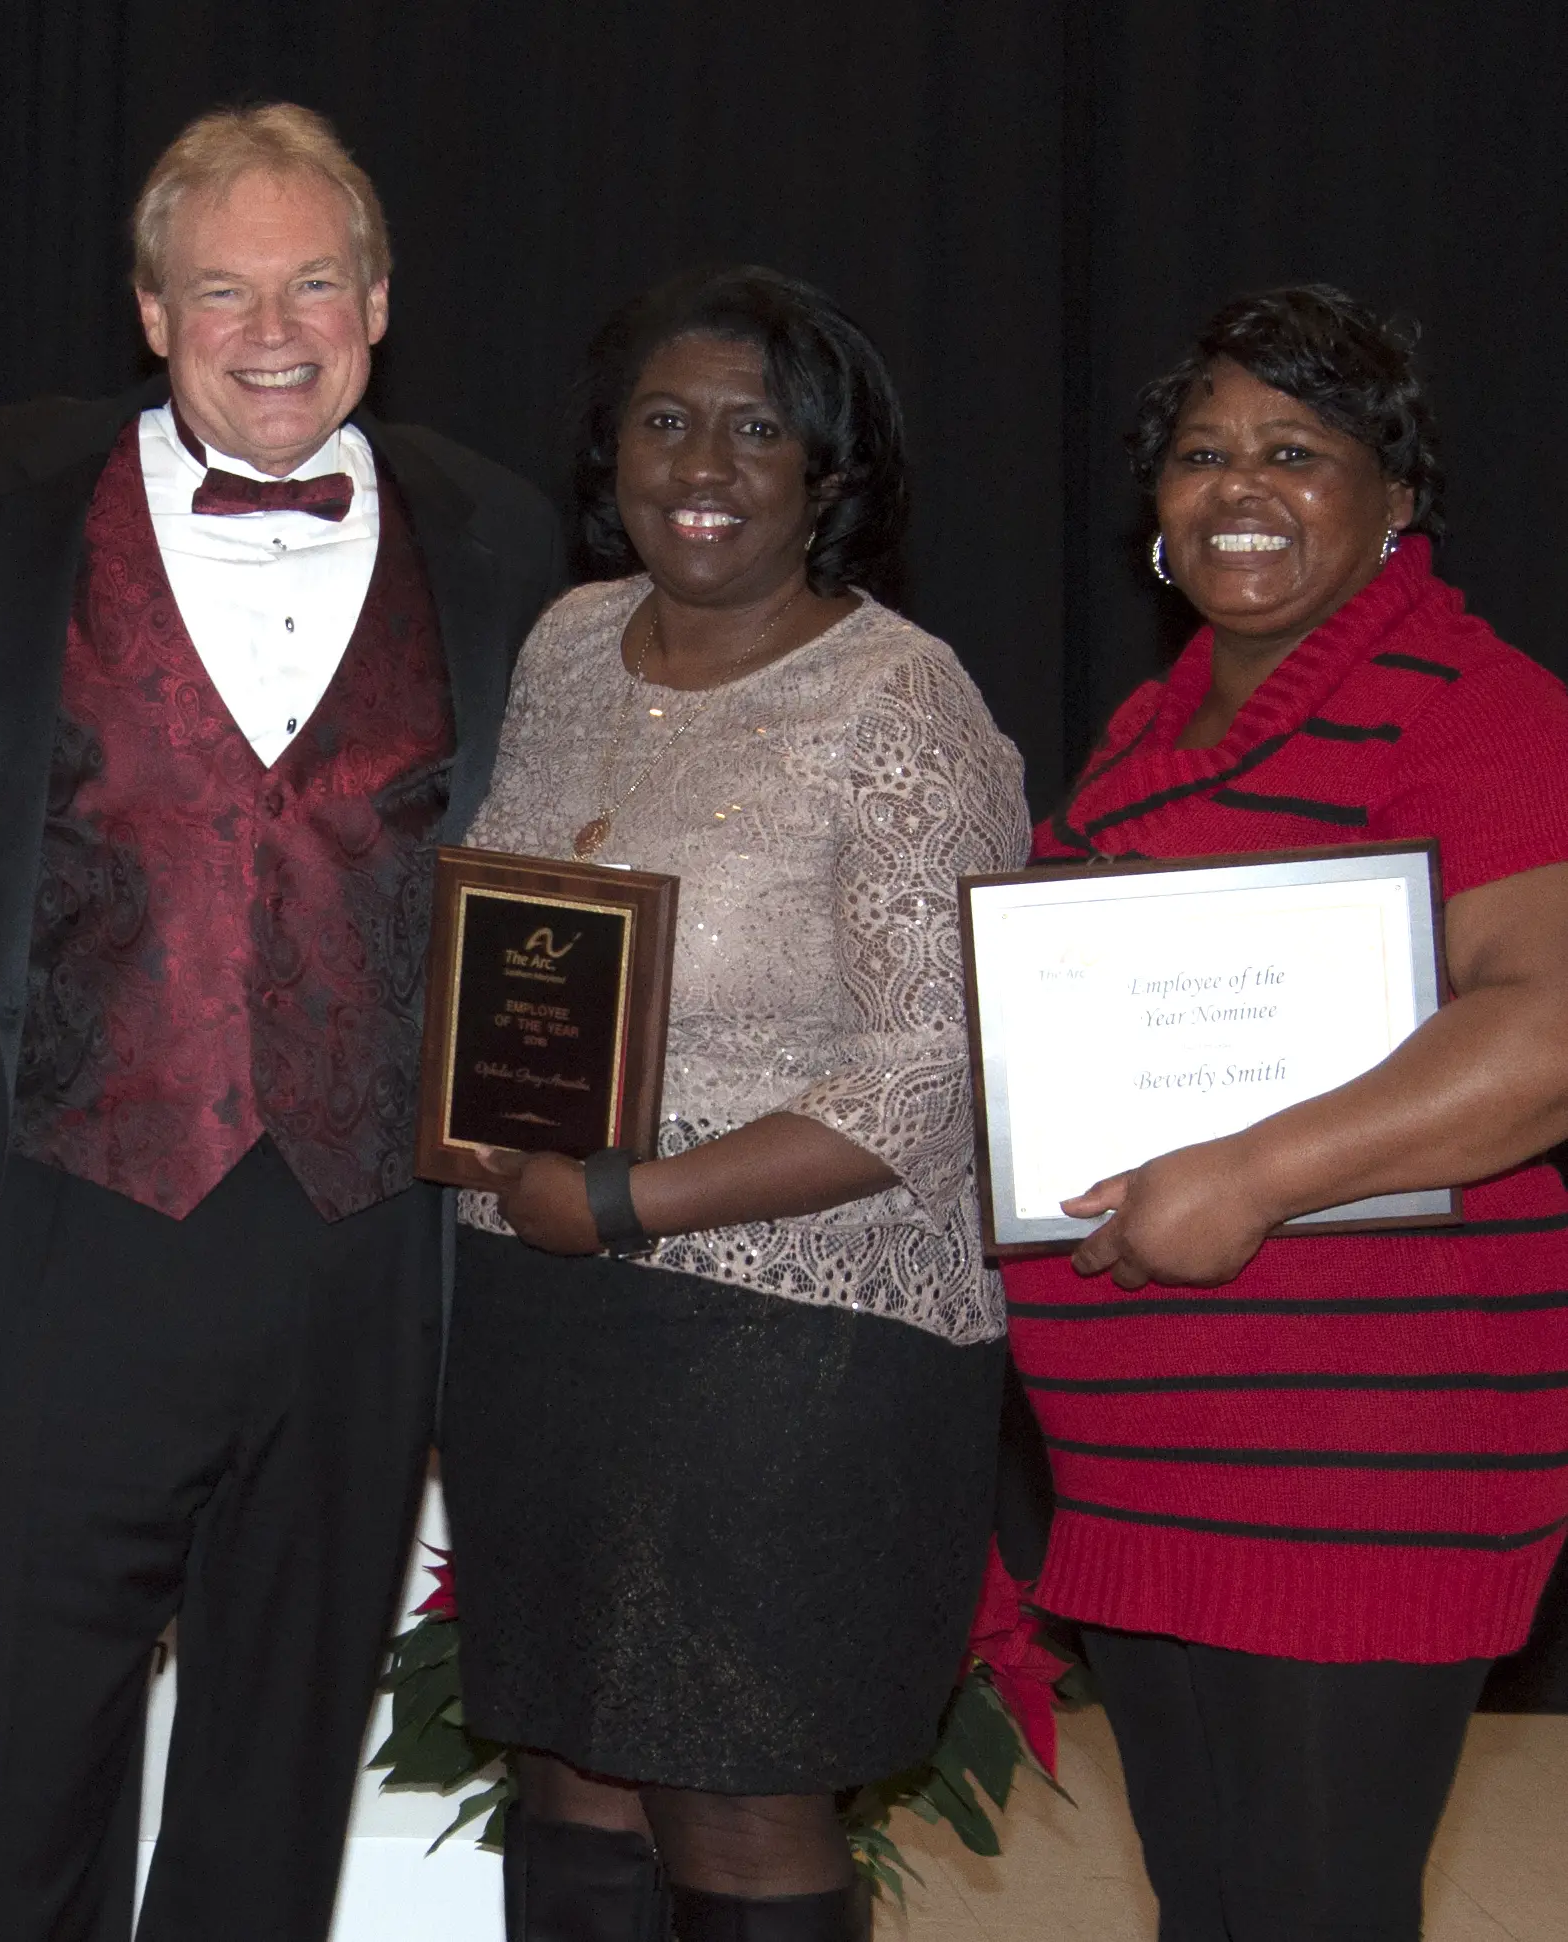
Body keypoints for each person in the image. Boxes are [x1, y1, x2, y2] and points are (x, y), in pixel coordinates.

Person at [0, 103, 562, 1942]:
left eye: (313, 282)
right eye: (223, 289)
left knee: (279, 1769)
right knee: (13, 1772)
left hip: (363, 1241)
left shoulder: (499, 532)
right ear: (151, 311)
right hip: (57, 1225)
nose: (272, 329)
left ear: (379, 303)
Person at [447, 267, 1028, 1942]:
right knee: (569, 1761)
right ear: (610, 452)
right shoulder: (563, 644)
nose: (702, 463)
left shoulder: (900, 698)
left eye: (756, 429)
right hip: (547, 1309)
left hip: (795, 1339)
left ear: (829, 473)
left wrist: (625, 1197)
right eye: (664, 420)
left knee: (738, 1783)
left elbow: (932, 1067)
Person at [1013, 285, 1568, 1942]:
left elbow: (1544, 1026)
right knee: (1213, 1909)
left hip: (1357, 1461)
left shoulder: (1470, 704)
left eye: (1295, 451)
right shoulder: (1143, 734)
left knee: (1315, 1911)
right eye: (1200, 454)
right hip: (1145, 1460)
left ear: (1394, 496)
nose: (1237, 487)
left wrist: (1251, 1176)